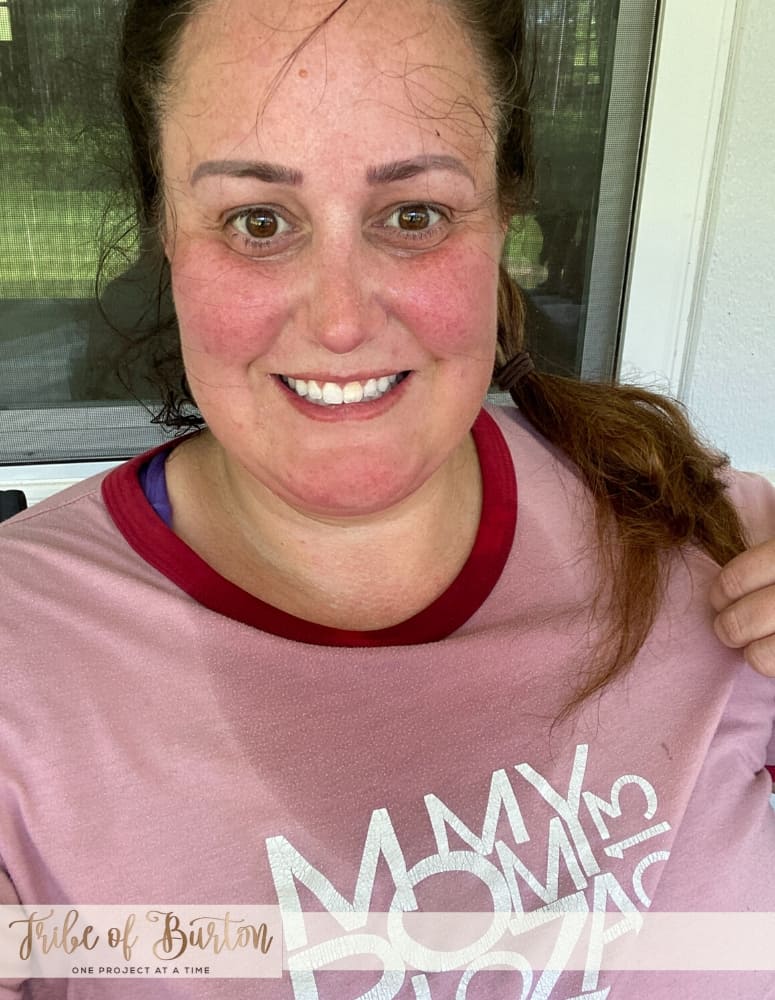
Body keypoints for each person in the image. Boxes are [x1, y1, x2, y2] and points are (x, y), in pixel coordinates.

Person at [1, 0, 774, 997]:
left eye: (413, 215)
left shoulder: (707, 539)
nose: (338, 320)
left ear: (503, 221)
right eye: (258, 220)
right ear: (166, 235)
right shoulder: (25, 670)